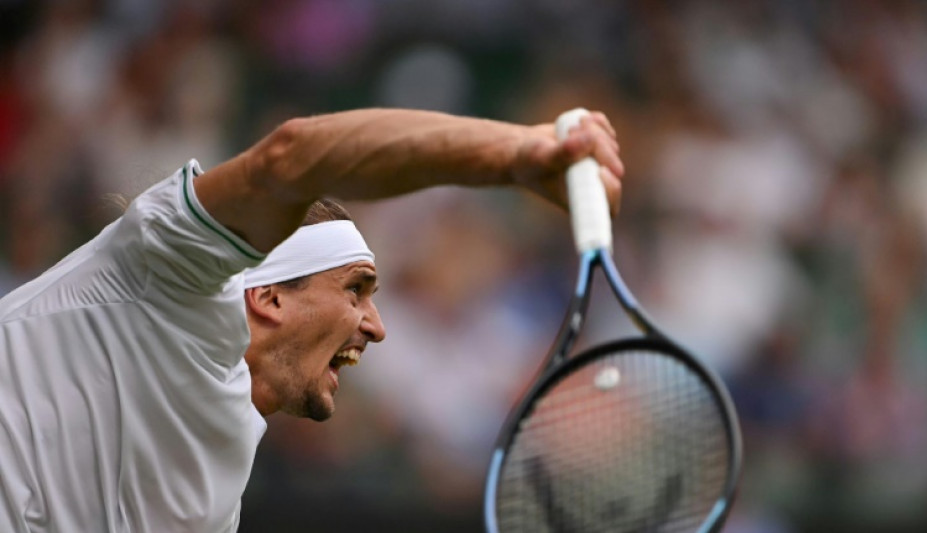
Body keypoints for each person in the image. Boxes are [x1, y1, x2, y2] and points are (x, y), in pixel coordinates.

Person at [0, 108, 623, 532]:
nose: (376, 327)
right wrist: (513, 156)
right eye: (356, 290)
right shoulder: (170, 282)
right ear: (268, 297)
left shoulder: (216, 482)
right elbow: (291, 154)